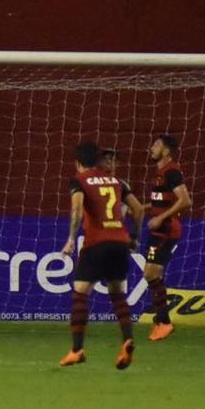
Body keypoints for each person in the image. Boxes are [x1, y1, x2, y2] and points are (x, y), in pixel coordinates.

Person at [59, 140, 145, 370]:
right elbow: (138, 209)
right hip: (120, 243)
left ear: (77, 163)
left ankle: (77, 349)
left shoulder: (79, 180)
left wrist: (70, 239)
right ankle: (127, 339)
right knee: (118, 294)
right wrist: (134, 237)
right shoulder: (116, 180)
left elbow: (77, 208)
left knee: (80, 292)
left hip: (96, 243)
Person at [143, 134, 191, 341]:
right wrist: (142, 209)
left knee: (151, 273)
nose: (152, 148)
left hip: (167, 230)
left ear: (167, 151)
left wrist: (160, 217)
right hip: (158, 229)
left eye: (156, 145)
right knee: (151, 274)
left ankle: (164, 322)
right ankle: (162, 320)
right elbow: (163, 201)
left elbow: (185, 201)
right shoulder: (160, 172)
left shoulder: (172, 171)